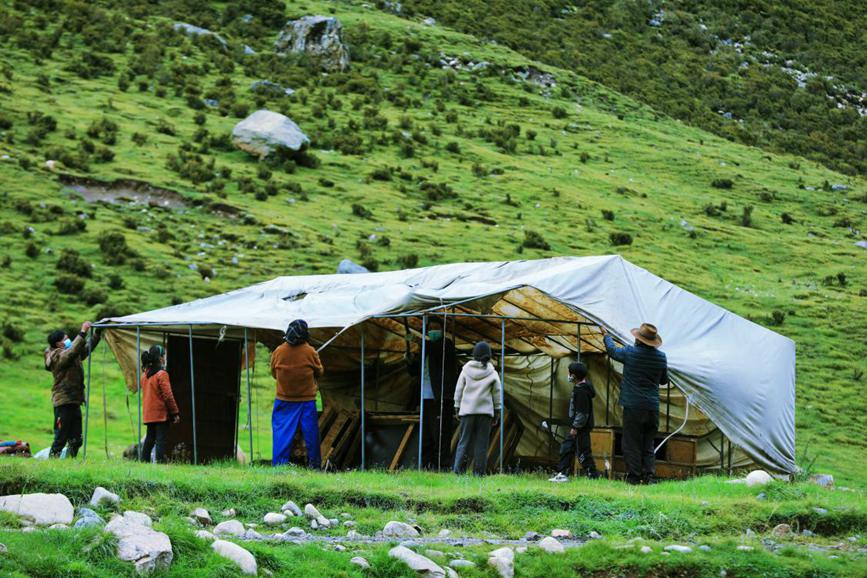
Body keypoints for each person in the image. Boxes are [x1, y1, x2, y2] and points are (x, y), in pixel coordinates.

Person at [603, 323, 669, 485]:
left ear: (638, 339)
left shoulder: (630, 352)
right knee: (648, 443)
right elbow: (664, 380)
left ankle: (634, 476)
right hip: (652, 407)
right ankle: (649, 477)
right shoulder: (661, 357)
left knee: (631, 442)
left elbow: (612, 351)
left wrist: (606, 336)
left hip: (633, 406)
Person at [270, 319, 324, 468]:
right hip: (306, 401)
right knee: (311, 434)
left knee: (281, 432)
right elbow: (320, 371)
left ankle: (279, 466)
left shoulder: (278, 351)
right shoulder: (310, 351)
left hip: (283, 400)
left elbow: (274, 373)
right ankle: (314, 465)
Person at [44, 321, 100, 458]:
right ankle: (53, 464)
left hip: (74, 400)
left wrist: (97, 335)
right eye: (65, 338)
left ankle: (69, 462)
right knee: (60, 438)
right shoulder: (56, 356)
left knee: (76, 440)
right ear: (58, 344)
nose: (68, 340)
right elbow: (71, 353)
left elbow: (85, 350)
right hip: (63, 402)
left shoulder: (70, 353)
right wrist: (82, 332)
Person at [409, 317, 458, 469]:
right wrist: (410, 360)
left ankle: (441, 465)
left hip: (441, 397)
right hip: (425, 398)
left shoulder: (446, 345)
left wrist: (418, 341)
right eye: (430, 328)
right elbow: (413, 372)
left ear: (443, 330)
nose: (433, 331)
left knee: (441, 433)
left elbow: (435, 350)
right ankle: (426, 465)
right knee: (427, 433)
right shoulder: (426, 349)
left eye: (436, 327)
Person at [452, 341, 502, 476]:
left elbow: (459, 389)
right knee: (481, 445)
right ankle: (478, 473)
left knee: (464, 442)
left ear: (474, 355)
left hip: (467, 412)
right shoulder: (492, 372)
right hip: (485, 414)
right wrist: (497, 412)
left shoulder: (466, 370)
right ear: (489, 356)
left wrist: (457, 407)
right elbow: (497, 394)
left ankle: (458, 471)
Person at [549, 361, 600, 482]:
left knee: (583, 454)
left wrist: (575, 427)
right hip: (579, 427)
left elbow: (582, 413)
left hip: (580, 428)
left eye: (569, 373)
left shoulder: (581, 391)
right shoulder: (582, 388)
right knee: (567, 448)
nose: (568, 375)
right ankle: (562, 474)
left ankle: (592, 476)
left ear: (573, 376)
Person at [139, 344, 180, 463]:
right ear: (161, 358)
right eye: (164, 355)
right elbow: (168, 395)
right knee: (160, 440)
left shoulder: (144, 376)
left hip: (148, 414)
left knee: (149, 439)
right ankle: (160, 463)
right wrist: (175, 412)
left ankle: (143, 462)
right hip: (160, 414)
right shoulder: (162, 374)